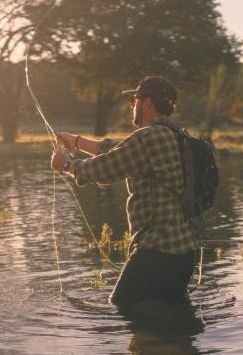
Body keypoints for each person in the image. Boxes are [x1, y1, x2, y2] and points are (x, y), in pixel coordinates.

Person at [50, 75, 198, 305]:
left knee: (122, 306)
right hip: (184, 252)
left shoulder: (148, 136)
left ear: (147, 103)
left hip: (157, 251)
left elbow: (105, 169)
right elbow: (116, 151)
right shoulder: (174, 135)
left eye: (134, 101)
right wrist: (75, 141)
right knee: (171, 312)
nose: (132, 106)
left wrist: (67, 165)